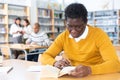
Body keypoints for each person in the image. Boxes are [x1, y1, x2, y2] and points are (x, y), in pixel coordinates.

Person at [40, 3, 120, 77]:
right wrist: (55, 63)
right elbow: (45, 56)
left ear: (86, 22)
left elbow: (115, 64)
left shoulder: (99, 35)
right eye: (69, 26)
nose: (73, 31)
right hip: (73, 75)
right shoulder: (63, 36)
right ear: (65, 23)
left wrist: (90, 70)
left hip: (95, 76)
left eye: (78, 27)